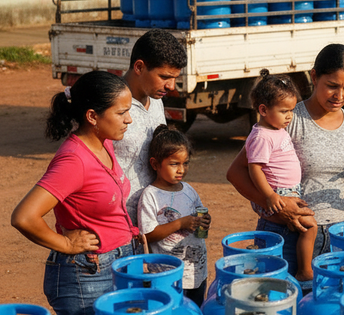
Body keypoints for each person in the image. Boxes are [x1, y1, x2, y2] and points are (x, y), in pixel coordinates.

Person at [227, 44, 344, 276]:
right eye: (332, 86)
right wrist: (274, 204)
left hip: (342, 236)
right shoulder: (287, 117)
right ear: (314, 77)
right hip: (290, 232)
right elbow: (236, 173)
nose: (340, 96)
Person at [11, 71, 135, 315]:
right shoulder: (74, 161)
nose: (128, 119)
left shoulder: (104, 141)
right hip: (87, 275)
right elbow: (23, 217)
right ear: (92, 116)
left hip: (117, 265)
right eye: (121, 113)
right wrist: (65, 244)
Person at [244, 69, 317, 282]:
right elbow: (254, 168)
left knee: (305, 226)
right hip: (277, 194)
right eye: (284, 111)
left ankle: (303, 269)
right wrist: (269, 196)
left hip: (287, 192)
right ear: (263, 110)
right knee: (309, 224)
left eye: (291, 110)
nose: (289, 116)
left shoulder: (276, 129)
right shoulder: (262, 136)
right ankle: (305, 271)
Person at [116, 29, 187, 225]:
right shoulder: (110, 106)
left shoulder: (156, 101)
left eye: (174, 78)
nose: (171, 86)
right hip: (118, 224)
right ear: (139, 67)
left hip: (151, 220)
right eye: (164, 77)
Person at [137, 125, 210, 306]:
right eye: (174, 164)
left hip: (196, 272)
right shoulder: (150, 195)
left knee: (194, 308)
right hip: (167, 276)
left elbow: (200, 213)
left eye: (185, 163)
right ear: (155, 164)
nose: (181, 170)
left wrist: (205, 221)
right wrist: (180, 224)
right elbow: (147, 235)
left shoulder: (189, 190)